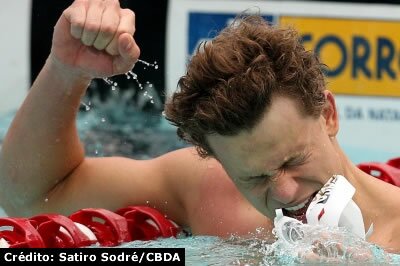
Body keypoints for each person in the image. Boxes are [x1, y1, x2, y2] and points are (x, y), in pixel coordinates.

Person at [0, 0, 399, 252]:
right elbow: (35, 196)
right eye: (254, 177)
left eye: (294, 160)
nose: (284, 192)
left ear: (328, 115)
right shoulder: (211, 192)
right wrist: (65, 72)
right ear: (220, 163)